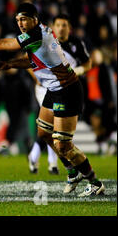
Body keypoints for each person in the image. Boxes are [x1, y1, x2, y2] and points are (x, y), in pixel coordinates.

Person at [0, 2, 105, 197]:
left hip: (67, 90)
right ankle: (72, 172)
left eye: (24, 19)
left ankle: (94, 182)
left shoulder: (35, 35)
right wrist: (10, 64)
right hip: (54, 90)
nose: (20, 23)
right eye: (18, 20)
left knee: (63, 145)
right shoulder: (40, 33)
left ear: (35, 19)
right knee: (43, 134)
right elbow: (33, 60)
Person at [28, 14, 92, 175]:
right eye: (58, 25)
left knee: (51, 130)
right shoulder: (47, 42)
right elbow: (28, 60)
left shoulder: (76, 44)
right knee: (48, 129)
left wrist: (79, 70)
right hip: (46, 88)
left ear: (69, 28)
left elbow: (87, 63)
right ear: (54, 27)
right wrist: (36, 76)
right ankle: (52, 163)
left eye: (64, 25)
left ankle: (44, 160)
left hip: (67, 90)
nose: (61, 28)